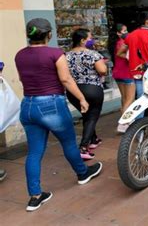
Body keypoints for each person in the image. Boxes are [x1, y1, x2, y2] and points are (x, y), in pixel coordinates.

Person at [15, 18, 102, 212]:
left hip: (28, 105)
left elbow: (23, 78)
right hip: (51, 104)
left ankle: (35, 196)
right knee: (69, 143)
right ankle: (82, 173)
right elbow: (65, 79)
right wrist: (82, 99)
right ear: (49, 35)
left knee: (35, 152)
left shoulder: (20, 55)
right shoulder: (55, 53)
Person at [66, 28, 107, 159]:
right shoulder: (93, 54)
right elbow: (102, 70)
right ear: (83, 40)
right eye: (90, 38)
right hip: (92, 89)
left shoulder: (66, 55)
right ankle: (83, 148)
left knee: (86, 115)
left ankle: (93, 140)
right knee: (92, 117)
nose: (92, 40)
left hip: (73, 91)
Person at [117, 11, 148, 119]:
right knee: (146, 101)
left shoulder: (131, 35)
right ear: (147, 21)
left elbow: (119, 53)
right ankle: (139, 126)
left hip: (134, 73)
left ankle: (136, 125)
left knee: (139, 100)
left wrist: (131, 59)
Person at [109, 24, 136, 132]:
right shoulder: (123, 43)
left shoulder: (114, 43)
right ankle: (123, 123)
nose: (126, 32)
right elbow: (126, 56)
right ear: (118, 33)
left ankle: (126, 120)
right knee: (130, 99)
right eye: (124, 31)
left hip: (117, 73)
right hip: (127, 73)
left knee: (124, 98)